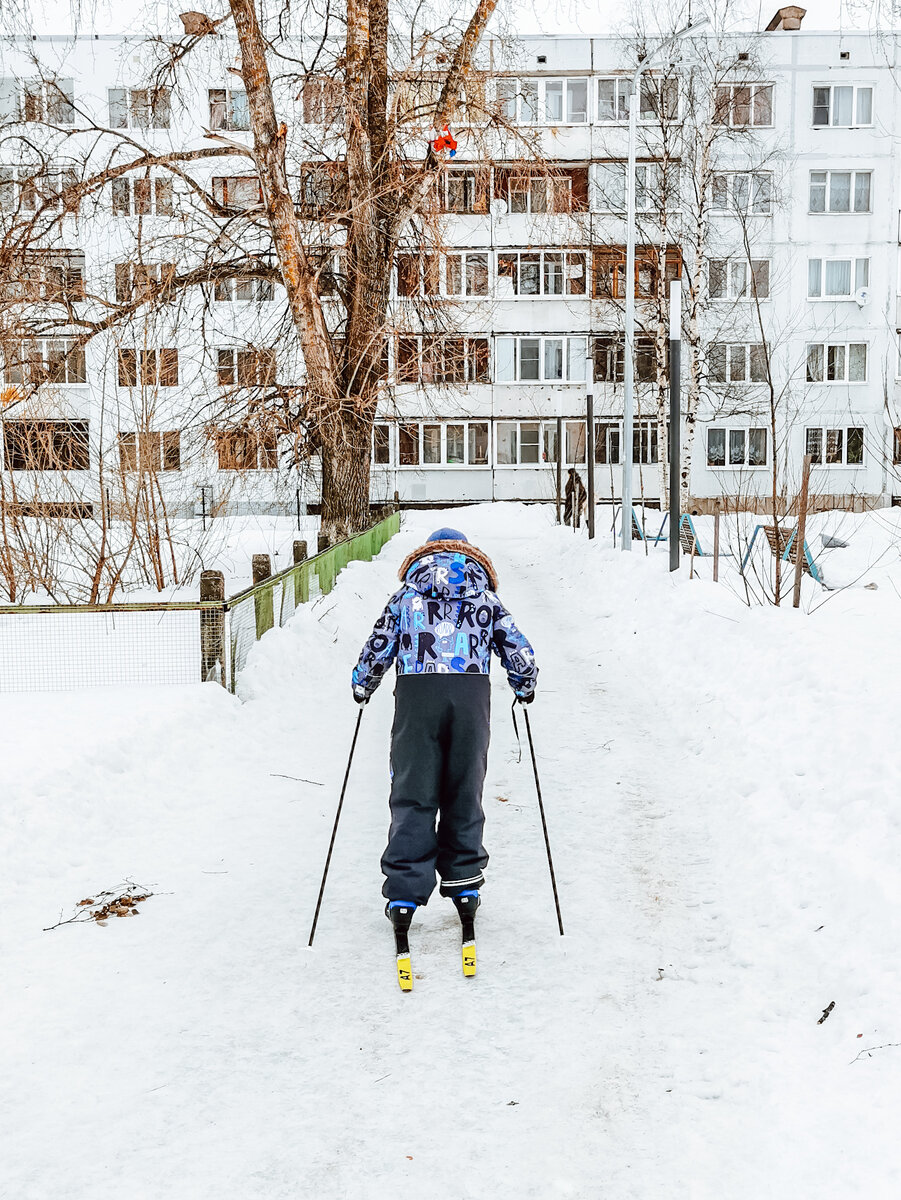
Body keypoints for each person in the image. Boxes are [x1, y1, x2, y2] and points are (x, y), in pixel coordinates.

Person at [351, 527, 538, 932]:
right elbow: (518, 648)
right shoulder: (485, 597)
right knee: (464, 788)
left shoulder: (407, 596)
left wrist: (363, 683)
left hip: (417, 697)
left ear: (426, 555)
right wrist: (525, 685)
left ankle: (403, 894)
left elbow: (379, 642)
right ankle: (464, 884)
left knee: (413, 791)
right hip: (470, 698)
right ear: (469, 556)